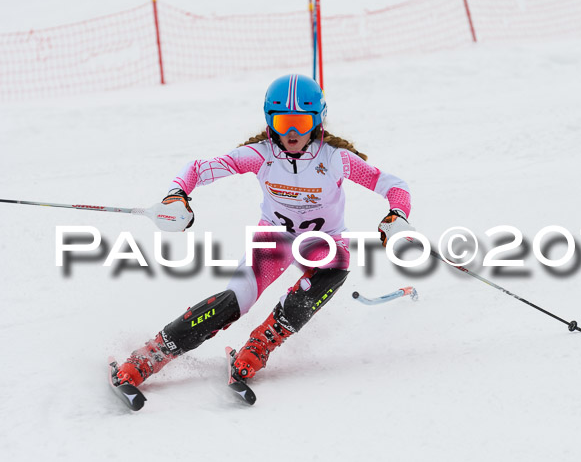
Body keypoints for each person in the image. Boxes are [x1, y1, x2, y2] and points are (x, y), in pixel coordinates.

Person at [114, 74, 414, 387]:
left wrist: (397, 214)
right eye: (284, 122)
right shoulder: (261, 155)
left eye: (302, 121)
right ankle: (151, 354)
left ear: (319, 120)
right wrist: (177, 195)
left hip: (322, 244)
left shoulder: (336, 159)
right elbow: (198, 170)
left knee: (338, 264)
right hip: (274, 241)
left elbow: (393, 185)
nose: (293, 132)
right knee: (234, 302)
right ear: (270, 121)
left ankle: (262, 342)